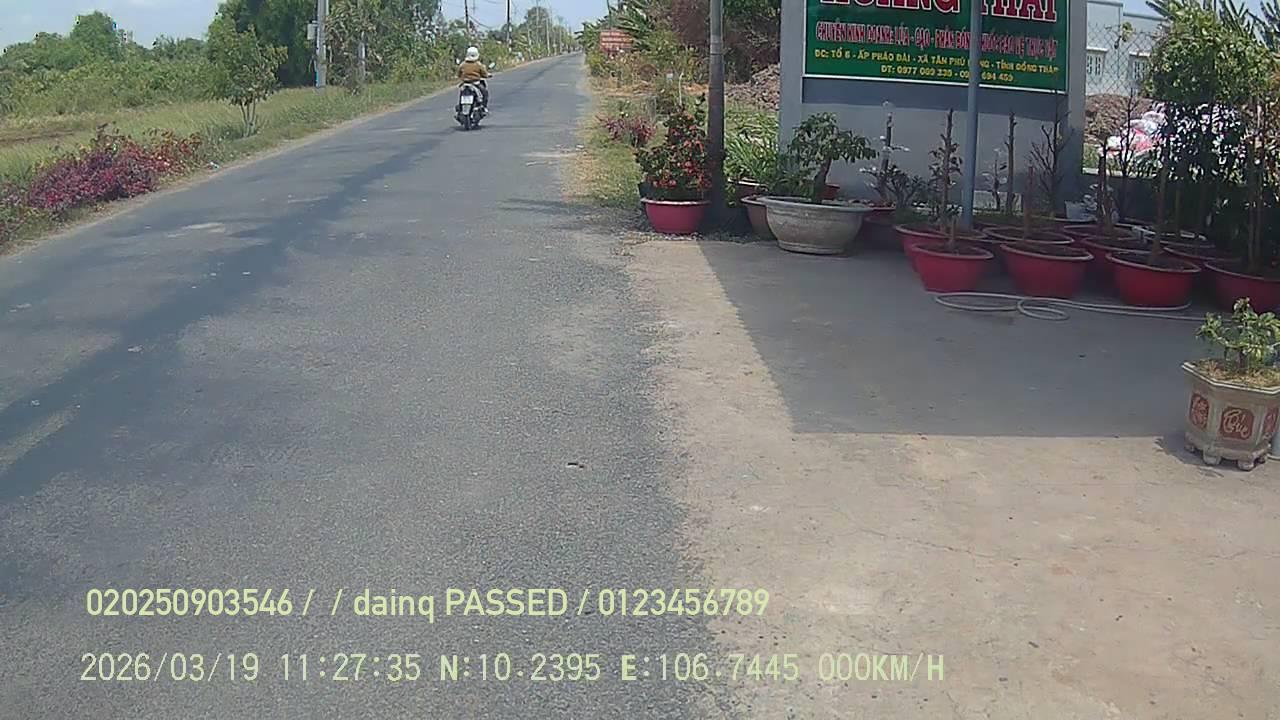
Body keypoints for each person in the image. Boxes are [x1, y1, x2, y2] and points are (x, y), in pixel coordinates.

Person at [457, 46, 491, 113]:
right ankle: (484, 107)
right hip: (476, 83)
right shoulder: (478, 64)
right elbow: (484, 73)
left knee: (461, 93)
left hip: (465, 83)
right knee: (485, 93)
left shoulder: (463, 64)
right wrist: (487, 75)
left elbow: (459, 73)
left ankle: (460, 108)